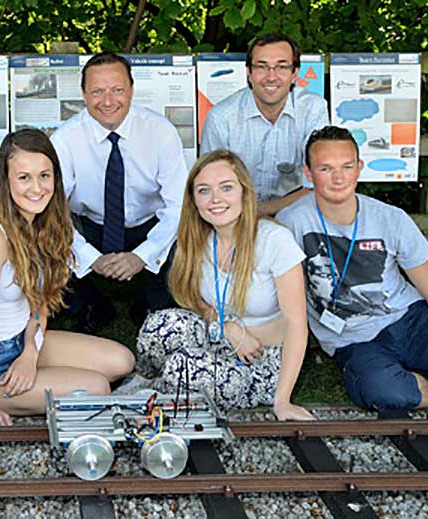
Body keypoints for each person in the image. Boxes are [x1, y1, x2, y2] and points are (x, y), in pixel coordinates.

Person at [0, 128, 134, 426]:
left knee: (122, 361)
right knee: (97, 387)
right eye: (24, 177)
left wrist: (30, 353)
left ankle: (52, 378)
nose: (36, 188)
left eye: (44, 176)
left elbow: (39, 303)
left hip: (23, 340)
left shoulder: (41, 223)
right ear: (6, 182)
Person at [278, 126, 428, 411]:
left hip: (409, 320)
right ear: (308, 173)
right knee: (385, 392)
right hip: (352, 338)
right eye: (325, 168)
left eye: (347, 166)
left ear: (359, 168)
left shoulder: (390, 218)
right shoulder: (290, 223)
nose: (338, 178)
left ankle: (424, 374)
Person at [136, 149, 313, 420]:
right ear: (194, 200)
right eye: (204, 190)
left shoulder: (274, 240)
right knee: (158, 326)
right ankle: (144, 382)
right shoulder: (200, 238)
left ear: (245, 192)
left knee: (182, 367)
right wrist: (225, 328)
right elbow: (195, 298)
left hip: (262, 358)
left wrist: (283, 401)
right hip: (221, 336)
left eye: (226, 188)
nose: (215, 199)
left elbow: (297, 325)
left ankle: (144, 398)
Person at [50, 52, 187, 332]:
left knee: (187, 239)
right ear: (84, 95)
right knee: (43, 238)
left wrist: (142, 256)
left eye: (117, 90)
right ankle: (88, 303)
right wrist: (90, 258)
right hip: (90, 225)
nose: (108, 101)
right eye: (98, 92)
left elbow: (178, 206)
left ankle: (151, 304)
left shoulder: (160, 132)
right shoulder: (65, 139)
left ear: (132, 90)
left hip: (147, 223)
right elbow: (53, 210)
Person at [201, 33, 329, 216]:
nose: (271, 76)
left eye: (281, 67)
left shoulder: (313, 109)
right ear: (249, 73)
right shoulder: (221, 118)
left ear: (294, 74)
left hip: (298, 211)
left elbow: (320, 182)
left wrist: (263, 210)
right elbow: (210, 187)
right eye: (262, 67)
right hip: (234, 215)